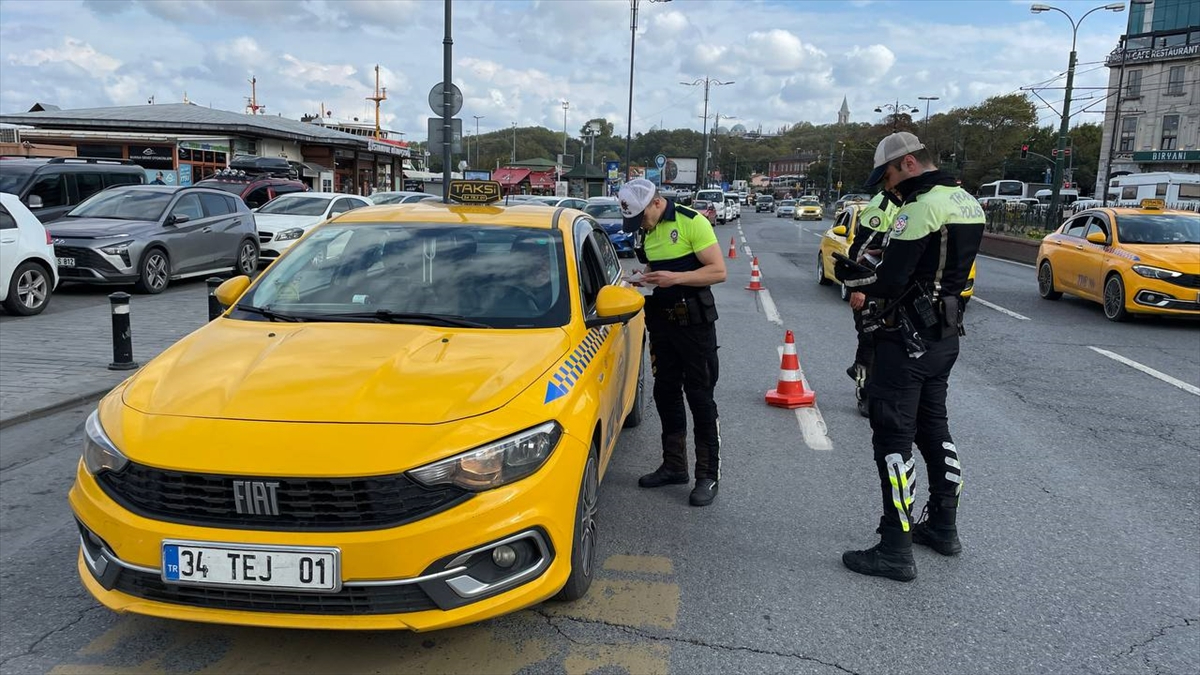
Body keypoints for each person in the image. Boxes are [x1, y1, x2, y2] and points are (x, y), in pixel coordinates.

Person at [835, 132, 985, 581]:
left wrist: (854, 278)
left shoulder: (921, 207)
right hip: (944, 336)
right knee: (934, 428)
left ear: (907, 165)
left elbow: (891, 279)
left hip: (906, 339)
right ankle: (943, 526)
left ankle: (894, 548)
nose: (887, 188)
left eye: (888, 177)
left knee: (893, 440)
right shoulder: (966, 201)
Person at [618, 178, 727, 506]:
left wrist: (675, 278)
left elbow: (718, 271)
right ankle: (674, 465)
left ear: (655, 202)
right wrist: (644, 276)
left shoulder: (692, 222)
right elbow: (657, 267)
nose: (641, 225)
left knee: (700, 398)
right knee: (665, 393)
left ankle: (708, 475)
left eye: (642, 217)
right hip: (663, 324)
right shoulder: (647, 230)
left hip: (694, 326)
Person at [846, 190, 899, 417]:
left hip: (893, 286)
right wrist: (858, 288)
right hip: (870, 285)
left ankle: (875, 384)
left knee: (890, 343)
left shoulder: (911, 202)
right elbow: (857, 250)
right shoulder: (882, 206)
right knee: (870, 341)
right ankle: (865, 393)